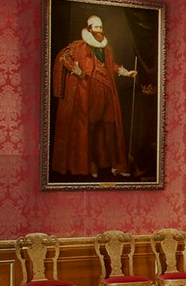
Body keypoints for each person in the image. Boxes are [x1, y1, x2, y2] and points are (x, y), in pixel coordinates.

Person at [50, 15, 138, 179]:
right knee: (89, 128)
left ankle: (114, 164)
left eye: (101, 28)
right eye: (97, 28)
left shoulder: (106, 49)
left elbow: (112, 66)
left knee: (109, 127)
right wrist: (77, 71)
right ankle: (90, 163)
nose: (100, 31)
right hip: (88, 93)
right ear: (90, 29)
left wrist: (127, 73)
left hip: (106, 92)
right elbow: (63, 58)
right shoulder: (78, 46)